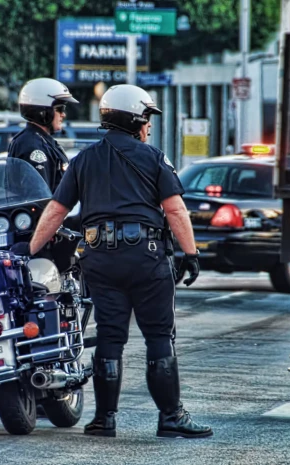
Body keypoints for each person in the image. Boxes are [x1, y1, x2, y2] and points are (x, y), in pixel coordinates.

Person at [21, 84, 210, 439]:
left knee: (110, 337)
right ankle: (171, 417)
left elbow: (55, 213)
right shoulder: (153, 157)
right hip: (147, 259)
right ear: (136, 119)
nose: (149, 126)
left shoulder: (83, 160)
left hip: (100, 260)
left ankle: (104, 419)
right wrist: (191, 253)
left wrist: (30, 251)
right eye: (147, 118)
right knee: (158, 336)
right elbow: (175, 209)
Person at [7, 77, 77, 193]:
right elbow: (39, 198)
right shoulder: (32, 145)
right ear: (43, 111)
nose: (63, 114)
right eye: (60, 109)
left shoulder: (42, 141)